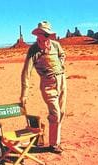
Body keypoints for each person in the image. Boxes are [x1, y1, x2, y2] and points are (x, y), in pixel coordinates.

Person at [20, 21, 66, 154]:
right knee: (55, 113)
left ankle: (54, 142)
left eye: (48, 34)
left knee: (61, 112)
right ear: (38, 34)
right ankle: (53, 145)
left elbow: (62, 55)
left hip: (62, 80)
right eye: (45, 34)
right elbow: (26, 73)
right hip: (48, 84)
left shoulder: (56, 45)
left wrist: (61, 65)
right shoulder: (34, 50)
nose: (47, 37)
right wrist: (24, 94)